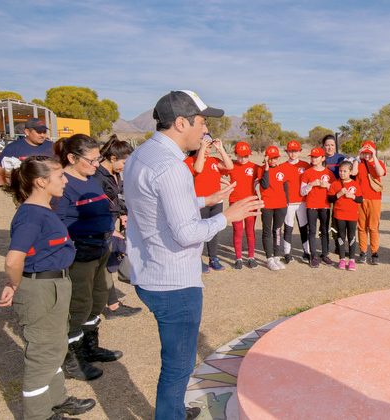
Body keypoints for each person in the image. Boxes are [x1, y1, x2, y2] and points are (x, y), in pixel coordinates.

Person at [124, 90, 262, 419]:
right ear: (182, 122)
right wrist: (226, 216)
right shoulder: (172, 167)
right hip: (174, 282)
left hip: (149, 270)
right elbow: (187, 233)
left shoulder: (141, 156)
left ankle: (172, 409)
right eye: (202, 122)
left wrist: (207, 199)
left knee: (176, 363)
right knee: (178, 365)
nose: (205, 130)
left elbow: (158, 209)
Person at [0, 156, 96, 420]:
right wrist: (13, 283)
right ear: (41, 182)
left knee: (55, 346)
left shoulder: (44, 210)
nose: (65, 181)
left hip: (54, 284)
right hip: (40, 289)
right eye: (60, 177)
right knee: (43, 354)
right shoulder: (31, 215)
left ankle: (57, 399)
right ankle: (39, 415)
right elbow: (13, 259)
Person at [54, 134, 122, 382]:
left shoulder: (90, 179)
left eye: (98, 160)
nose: (96, 166)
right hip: (80, 254)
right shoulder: (63, 184)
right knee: (79, 304)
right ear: (72, 158)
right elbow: (58, 224)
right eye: (91, 161)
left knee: (98, 297)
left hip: (101, 248)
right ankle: (73, 359)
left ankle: (90, 347)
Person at [92, 134, 142, 319]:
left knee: (104, 265)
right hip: (101, 226)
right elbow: (96, 205)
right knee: (99, 266)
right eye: (124, 162)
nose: (125, 167)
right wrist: (110, 229)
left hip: (111, 221)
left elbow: (117, 198)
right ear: (113, 158)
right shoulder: (97, 177)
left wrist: (122, 213)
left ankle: (112, 304)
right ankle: (102, 307)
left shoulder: (114, 174)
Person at [183, 134, 233, 273]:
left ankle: (213, 258)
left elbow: (230, 166)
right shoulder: (189, 161)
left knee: (214, 230)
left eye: (209, 146)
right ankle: (196, 260)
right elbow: (198, 169)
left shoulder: (213, 161)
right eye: (204, 145)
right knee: (198, 232)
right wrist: (202, 149)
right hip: (200, 202)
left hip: (216, 202)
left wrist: (221, 149)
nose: (207, 149)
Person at [225, 141, 260, 269]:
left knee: (250, 230)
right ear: (235, 154)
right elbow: (215, 173)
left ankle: (251, 257)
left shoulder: (255, 167)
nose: (243, 158)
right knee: (238, 230)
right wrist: (225, 183)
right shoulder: (231, 166)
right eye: (240, 155)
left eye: (246, 156)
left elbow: (266, 178)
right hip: (235, 203)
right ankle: (238, 258)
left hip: (251, 203)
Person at [351, 140, 386, 265]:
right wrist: (357, 157)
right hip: (361, 199)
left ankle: (375, 252)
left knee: (373, 227)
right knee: (361, 227)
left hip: (375, 198)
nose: (367, 155)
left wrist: (374, 156)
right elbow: (353, 173)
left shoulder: (378, 162)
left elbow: (380, 172)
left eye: (369, 153)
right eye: (365, 153)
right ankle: (363, 252)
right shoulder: (359, 164)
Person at [301, 147, 336, 267]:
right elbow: (302, 192)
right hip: (311, 206)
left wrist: (328, 185)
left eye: (316, 157)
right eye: (312, 157)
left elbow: (334, 190)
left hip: (325, 206)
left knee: (325, 231)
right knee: (312, 231)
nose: (314, 159)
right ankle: (313, 256)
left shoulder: (329, 173)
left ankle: (325, 254)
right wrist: (311, 185)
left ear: (323, 158)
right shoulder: (307, 172)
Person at [0, 118, 54, 184]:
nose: (43, 135)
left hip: (48, 189)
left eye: (44, 132)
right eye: (39, 132)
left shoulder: (52, 146)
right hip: (24, 190)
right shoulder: (13, 147)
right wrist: (19, 174)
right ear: (27, 132)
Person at [257, 145, 289, 271]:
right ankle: (269, 258)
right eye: (270, 158)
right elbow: (264, 185)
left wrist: (286, 202)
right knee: (267, 231)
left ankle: (276, 256)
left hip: (281, 205)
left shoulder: (282, 169)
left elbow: (285, 187)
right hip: (267, 205)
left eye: (275, 158)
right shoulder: (261, 169)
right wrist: (266, 168)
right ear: (266, 158)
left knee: (277, 231)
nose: (273, 161)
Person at [328, 160, 363, 270]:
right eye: (340, 171)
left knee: (352, 236)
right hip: (339, 215)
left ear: (350, 172)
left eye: (345, 171)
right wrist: (339, 194)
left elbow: (360, 199)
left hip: (352, 215)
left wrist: (352, 196)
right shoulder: (335, 184)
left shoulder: (355, 184)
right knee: (341, 236)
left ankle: (351, 260)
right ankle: (342, 259)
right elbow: (330, 198)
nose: (342, 173)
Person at [281, 140, 311, 264]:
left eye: (295, 151)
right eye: (290, 151)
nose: (292, 154)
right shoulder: (282, 166)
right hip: (289, 203)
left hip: (302, 202)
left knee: (304, 227)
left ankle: (307, 251)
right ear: (287, 151)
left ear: (300, 151)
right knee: (288, 227)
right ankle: (287, 253)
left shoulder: (306, 165)